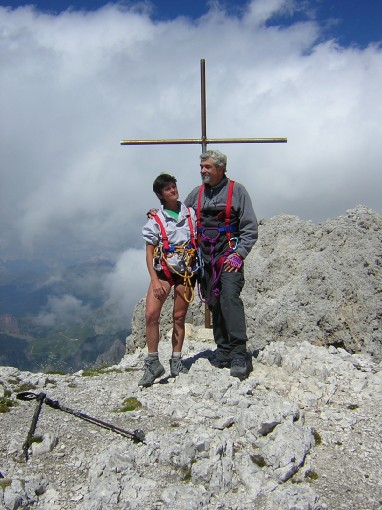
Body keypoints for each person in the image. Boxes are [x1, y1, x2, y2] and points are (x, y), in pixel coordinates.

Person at [184, 149, 258, 380]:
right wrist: (158, 213)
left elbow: (250, 227)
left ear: (221, 168)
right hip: (205, 259)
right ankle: (223, 349)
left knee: (229, 298)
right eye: (202, 167)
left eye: (207, 167)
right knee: (214, 302)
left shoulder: (237, 191)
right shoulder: (196, 194)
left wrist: (240, 254)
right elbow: (181, 218)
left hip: (228, 257)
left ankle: (238, 353)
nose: (203, 171)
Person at [139, 173, 198, 387]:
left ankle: (176, 360)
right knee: (151, 314)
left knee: (179, 317)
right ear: (160, 195)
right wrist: (154, 280)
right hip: (163, 271)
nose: (173, 190)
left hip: (185, 272)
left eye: (174, 186)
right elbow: (149, 251)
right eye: (168, 189)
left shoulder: (190, 213)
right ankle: (153, 362)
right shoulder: (156, 219)